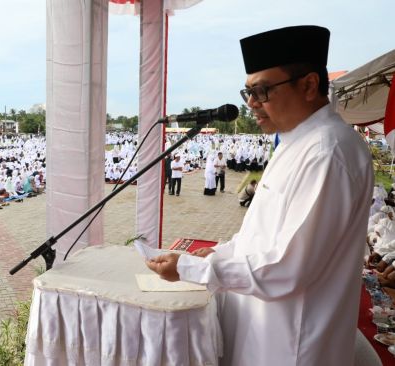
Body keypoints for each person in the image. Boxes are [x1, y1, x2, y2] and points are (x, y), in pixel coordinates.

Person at [146, 25, 373, 365]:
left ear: (309, 85)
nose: (252, 103)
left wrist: (194, 269)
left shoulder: (329, 151)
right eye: (248, 92)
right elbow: (263, 233)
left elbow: (289, 267)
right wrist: (219, 254)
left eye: (263, 90)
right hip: (263, 332)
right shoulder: (297, 141)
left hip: (292, 344)